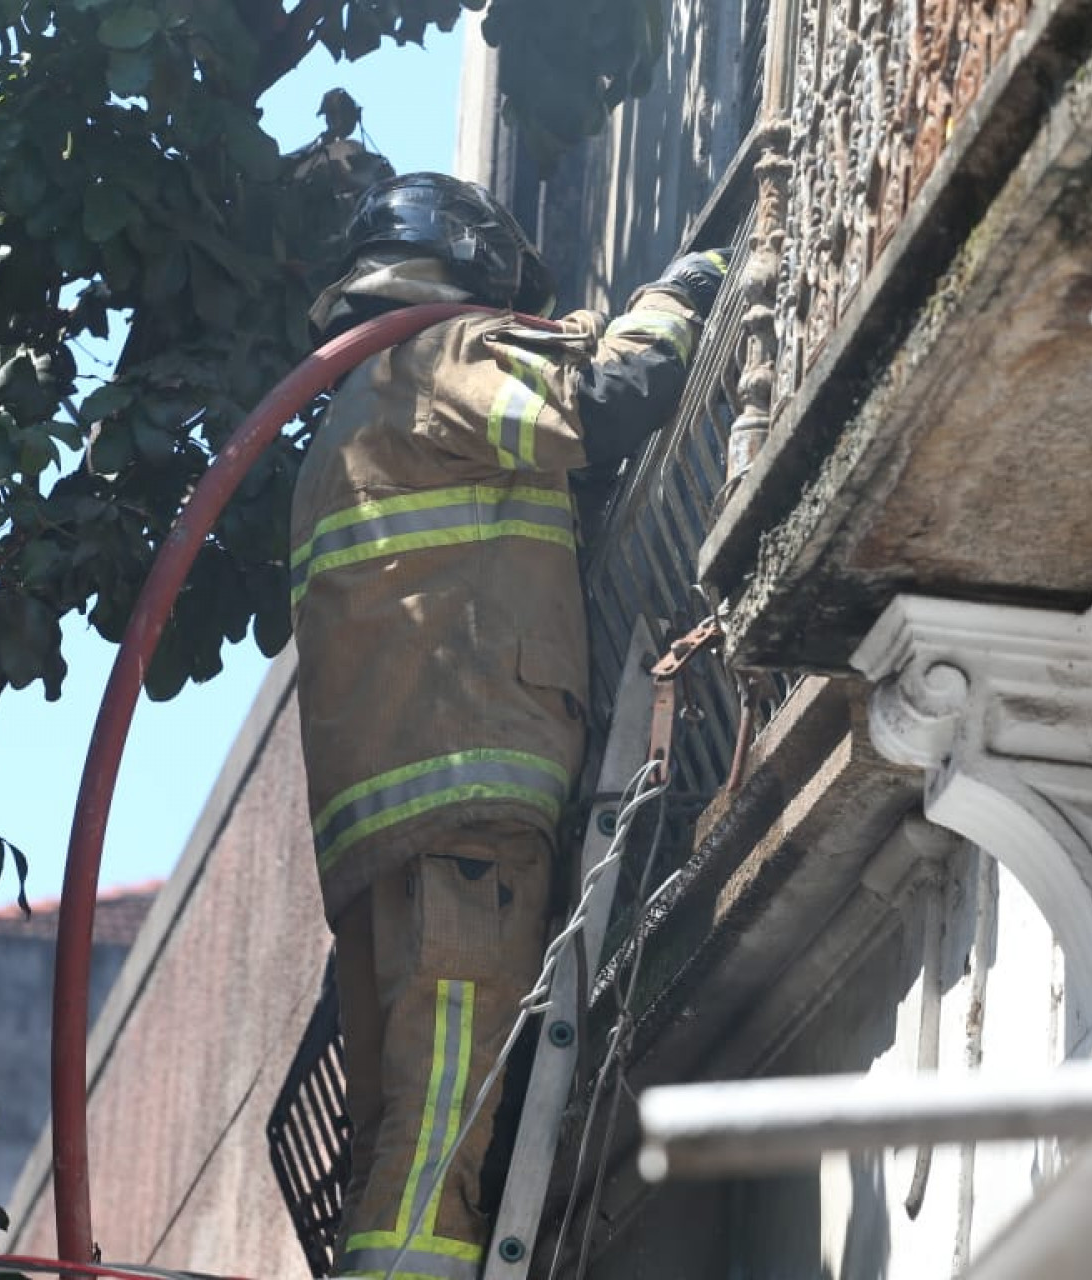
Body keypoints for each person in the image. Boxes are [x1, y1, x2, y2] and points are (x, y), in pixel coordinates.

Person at [288, 172, 726, 1279]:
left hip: (385, 830)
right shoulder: (436, 353)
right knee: (442, 1132)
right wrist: (691, 287)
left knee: (401, 1132)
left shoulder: (347, 419)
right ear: (475, 260)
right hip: (468, 801)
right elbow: (607, 399)